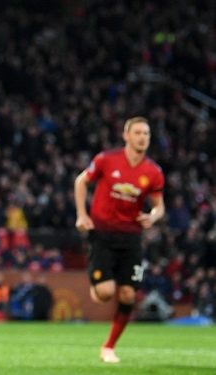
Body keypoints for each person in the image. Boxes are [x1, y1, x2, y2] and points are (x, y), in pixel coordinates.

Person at [74, 116, 166, 363]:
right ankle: (99, 282)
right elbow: (81, 181)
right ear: (126, 136)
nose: (142, 137)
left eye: (146, 133)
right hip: (102, 233)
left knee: (127, 295)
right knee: (104, 293)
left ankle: (109, 347)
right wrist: (82, 215)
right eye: (137, 133)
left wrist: (153, 217)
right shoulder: (106, 159)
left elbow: (159, 206)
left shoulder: (154, 172)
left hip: (131, 237)